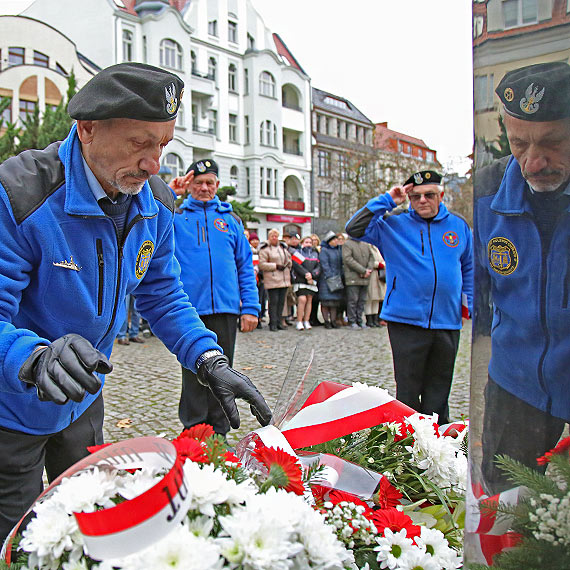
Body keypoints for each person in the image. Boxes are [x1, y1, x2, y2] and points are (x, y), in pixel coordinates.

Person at [0, 62, 271, 544]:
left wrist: (207, 358)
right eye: (139, 144)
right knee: (14, 540)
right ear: (87, 129)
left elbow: (163, 293)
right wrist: (34, 357)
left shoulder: (155, 202)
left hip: (82, 397)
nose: (154, 164)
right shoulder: (21, 192)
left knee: (88, 531)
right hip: (11, 405)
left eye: (162, 145)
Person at [474, 62, 570, 493]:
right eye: (519, 143)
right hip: (514, 384)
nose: (534, 162)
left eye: (552, 143)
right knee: (503, 506)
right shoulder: (484, 192)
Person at [346, 170, 473, 424]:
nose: (422, 200)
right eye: (415, 196)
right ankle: (407, 447)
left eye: (429, 195)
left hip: (447, 321)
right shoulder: (393, 224)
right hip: (406, 321)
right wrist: (389, 199)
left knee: (439, 390)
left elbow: (469, 267)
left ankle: (440, 449)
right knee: (408, 391)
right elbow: (354, 229)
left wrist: (472, 305)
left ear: (441, 195)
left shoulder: (458, 226)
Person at [169, 159, 261, 436]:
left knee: (222, 371)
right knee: (192, 371)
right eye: (198, 183)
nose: (204, 188)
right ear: (189, 185)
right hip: (189, 309)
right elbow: (150, 215)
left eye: (209, 182)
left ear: (217, 186)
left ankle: (219, 431)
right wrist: (171, 193)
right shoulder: (176, 217)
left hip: (225, 308)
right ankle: (194, 431)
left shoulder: (231, 221)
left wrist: (251, 307)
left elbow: (245, 265)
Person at [258, 229, 292, 331]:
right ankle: (272, 323)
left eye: (276, 236)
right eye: (272, 236)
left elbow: (289, 259)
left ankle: (279, 321)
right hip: (272, 279)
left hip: (283, 279)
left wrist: (288, 264)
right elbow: (261, 264)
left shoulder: (282, 248)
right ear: (269, 237)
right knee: (273, 302)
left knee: (281, 302)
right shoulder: (265, 249)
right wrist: (275, 266)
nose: (274, 238)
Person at [341, 236, 375, 329]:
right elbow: (348, 259)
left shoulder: (365, 244)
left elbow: (372, 257)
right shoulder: (347, 244)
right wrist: (362, 270)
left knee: (362, 300)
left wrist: (368, 270)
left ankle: (359, 320)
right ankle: (352, 321)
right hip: (353, 277)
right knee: (353, 300)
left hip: (365, 278)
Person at [291, 235, 321, 330]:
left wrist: (313, 275)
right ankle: (299, 321)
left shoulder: (315, 253)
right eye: (306, 242)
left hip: (311, 280)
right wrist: (306, 274)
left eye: (310, 243)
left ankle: (306, 320)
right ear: (302, 243)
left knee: (309, 300)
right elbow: (297, 265)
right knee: (302, 299)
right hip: (301, 279)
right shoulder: (298, 253)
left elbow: (319, 266)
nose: (308, 244)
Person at [318, 231, 345, 328]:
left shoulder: (338, 250)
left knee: (335, 302)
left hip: (337, 278)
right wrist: (330, 276)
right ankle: (326, 321)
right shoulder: (324, 250)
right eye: (334, 239)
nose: (336, 241)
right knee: (326, 302)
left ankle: (333, 320)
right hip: (326, 279)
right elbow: (324, 264)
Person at [364, 244, 385, 327]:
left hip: (379, 275)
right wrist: (377, 264)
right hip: (371, 274)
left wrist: (382, 264)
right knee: (370, 298)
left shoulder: (377, 248)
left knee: (377, 299)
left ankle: (375, 319)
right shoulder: (367, 247)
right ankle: (369, 319)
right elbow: (367, 260)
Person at [248, 232, 266, 329]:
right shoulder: (250, 250)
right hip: (253, 278)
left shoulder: (259, 250)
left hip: (260, 279)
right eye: (253, 240)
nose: (255, 241)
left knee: (261, 299)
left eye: (256, 239)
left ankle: (259, 318)